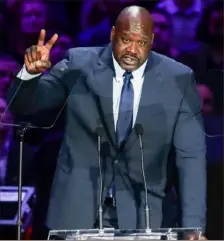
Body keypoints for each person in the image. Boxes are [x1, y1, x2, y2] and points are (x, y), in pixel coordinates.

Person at [7, 6, 207, 240]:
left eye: (141, 42)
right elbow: (24, 105)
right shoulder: (78, 64)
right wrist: (29, 75)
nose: (132, 50)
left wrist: (193, 226)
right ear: (112, 34)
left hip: (147, 217)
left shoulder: (179, 79)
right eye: (125, 40)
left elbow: (191, 155)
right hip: (77, 216)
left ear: (152, 40)